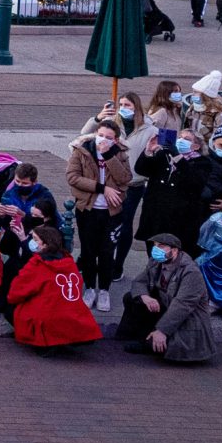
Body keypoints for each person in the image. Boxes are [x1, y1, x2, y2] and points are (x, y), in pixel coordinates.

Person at [115, 233, 217, 363]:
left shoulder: (191, 272)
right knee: (132, 298)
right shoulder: (155, 262)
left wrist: (162, 330)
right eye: (155, 246)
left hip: (187, 319)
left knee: (170, 348)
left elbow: (182, 306)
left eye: (161, 246)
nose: (156, 249)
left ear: (174, 250)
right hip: (166, 305)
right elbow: (139, 282)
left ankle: (152, 342)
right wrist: (146, 297)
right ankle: (140, 336)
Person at [67, 119, 134, 313]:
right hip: (88, 210)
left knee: (106, 252)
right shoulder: (81, 152)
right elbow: (73, 177)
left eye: (109, 137)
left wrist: (108, 156)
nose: (103, 140)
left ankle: (104, 289)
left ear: (116, 140)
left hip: (112, 213)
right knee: (88, 251)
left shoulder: (119, 154)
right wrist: (102, 189)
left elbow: (125, 178)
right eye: (101, 135)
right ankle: (89, 288)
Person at [6, 221, 101, 349]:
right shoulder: (69, 262)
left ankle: (40, 341)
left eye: (35, 239)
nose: (32, 242)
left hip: (47, 316)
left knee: (10, 309)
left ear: (45, 244)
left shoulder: (37, 264)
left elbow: (16, 292)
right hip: (72, 314)